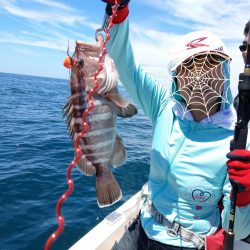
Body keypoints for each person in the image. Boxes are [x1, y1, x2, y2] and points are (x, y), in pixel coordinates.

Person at [99, 1, 250, 249]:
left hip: (188, 243)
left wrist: (244, 195)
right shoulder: (162, 105)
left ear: (224, 70)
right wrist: (119, 14)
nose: (200, 74)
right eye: (189, 66)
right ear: (177, 77)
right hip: (143, 225)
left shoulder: (238, 134)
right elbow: (126, 65)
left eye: (211, 64)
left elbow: (238, 229)